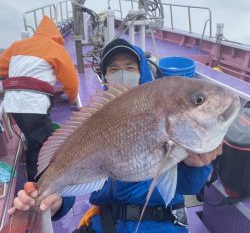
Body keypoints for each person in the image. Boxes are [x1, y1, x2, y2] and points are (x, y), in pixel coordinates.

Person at [8, 39, 221, 232]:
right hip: (107, 223)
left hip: (160, 224)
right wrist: (55, 202)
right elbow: (83, 178)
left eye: (130, 67)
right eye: (114, 68)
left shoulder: (166, 116)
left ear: (142, 71)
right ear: (105, 75)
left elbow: (187, 187)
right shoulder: (100, 115)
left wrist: (198, 166)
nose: (122, 73)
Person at [0, 15, 78, 182]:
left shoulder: (17, 45)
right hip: (33, 106)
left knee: (32, 136)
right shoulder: (56, 49)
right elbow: (70, 79)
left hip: (12, 105)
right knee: (42, 144)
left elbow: (1, 68)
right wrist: (71, 98)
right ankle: (38, 181)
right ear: (56, 36)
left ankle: (34, 173)